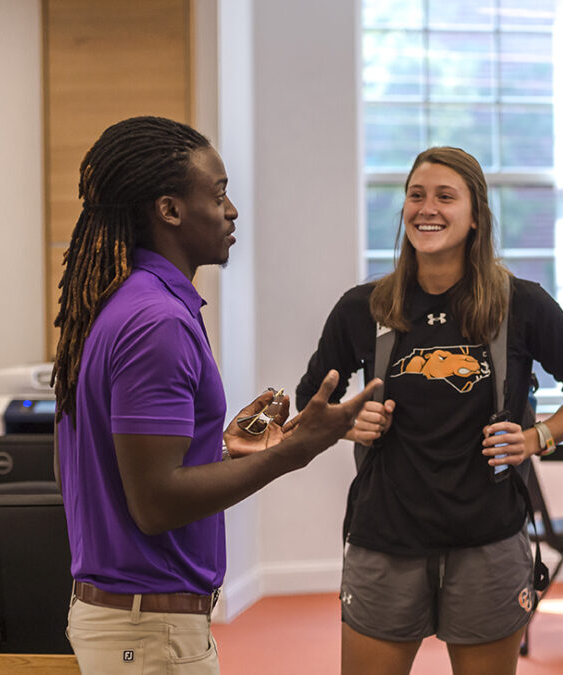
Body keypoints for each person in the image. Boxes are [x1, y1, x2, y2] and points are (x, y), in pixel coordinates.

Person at [52, 115, 379, 673]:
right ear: (169, 209)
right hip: (148, 632)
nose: (232, 211)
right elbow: (155, 504)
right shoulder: (157, 321)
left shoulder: (119, 301)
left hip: (128, 623)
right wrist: (294, 452)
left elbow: (111, 470)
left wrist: (224, 451)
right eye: (219, 193)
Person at [296, 146, 563, 675]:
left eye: (445, 196)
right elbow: (312, 402)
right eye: (416, 195)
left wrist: (535, 438)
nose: (427, 209)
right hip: (385, 539)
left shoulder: (521, 304)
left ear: (475, 215)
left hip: (488, 540)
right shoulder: (364, 307)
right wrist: (349, 425)